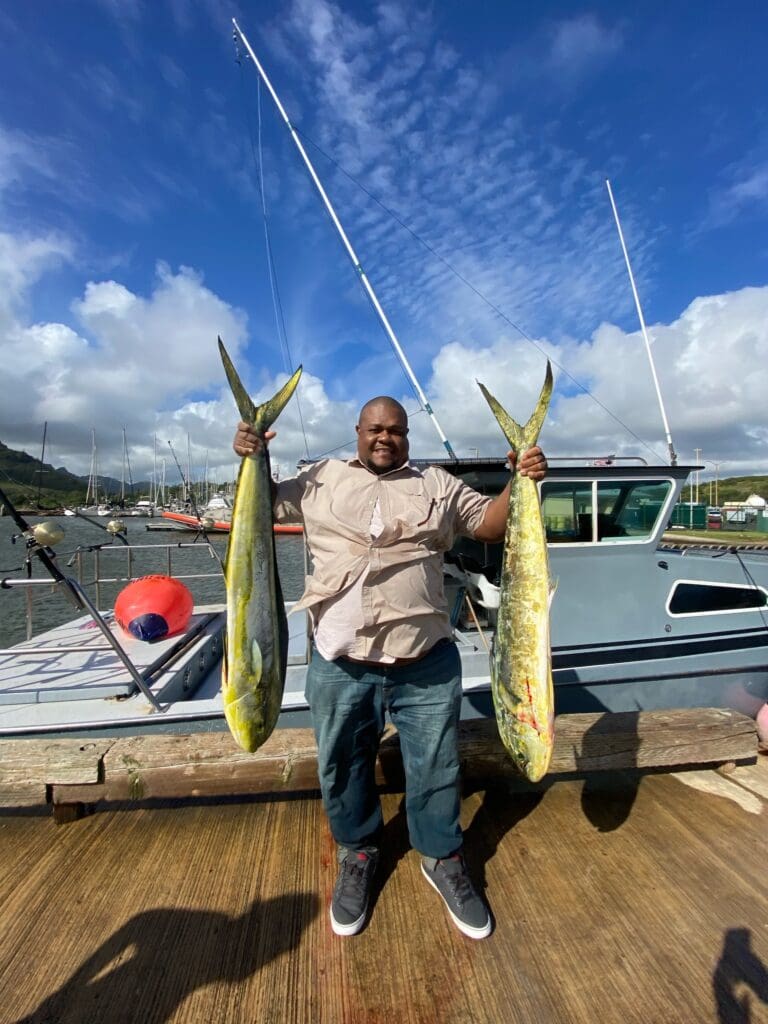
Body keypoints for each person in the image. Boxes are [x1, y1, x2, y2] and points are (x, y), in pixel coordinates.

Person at [233, 397, 547, 940]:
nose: (385, 438)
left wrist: (523, 478)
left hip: (424, 661)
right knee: (342, 767)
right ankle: (357, 853)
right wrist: (251, 455)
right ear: (357, 431)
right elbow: (256, 509)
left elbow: (490, 526)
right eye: (375, 429)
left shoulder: (438, 485)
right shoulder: (318, 479)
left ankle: (442, 856)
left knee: (437, 768)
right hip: (340, 662)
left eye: (396, 430)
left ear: (407, 435)